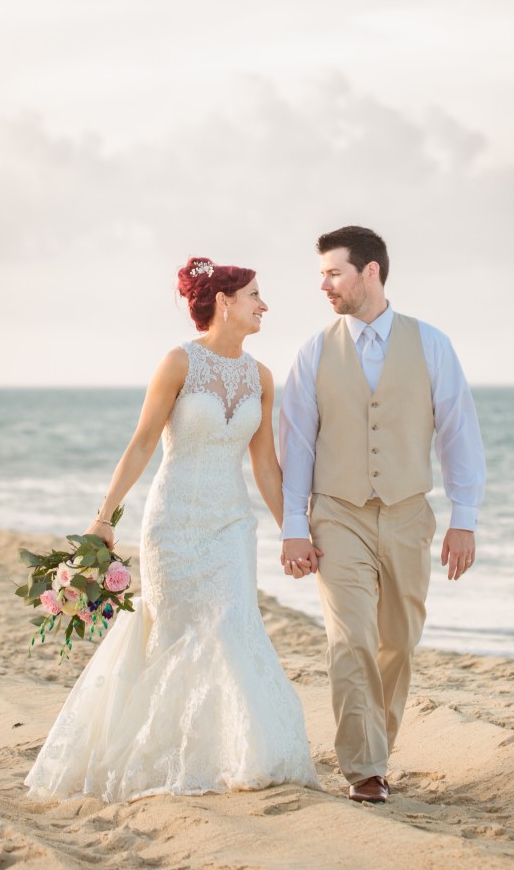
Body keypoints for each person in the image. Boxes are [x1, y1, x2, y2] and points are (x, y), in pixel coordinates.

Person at [26, 257, 318, 801]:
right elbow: (141, 444)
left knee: (231, 625)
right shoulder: (178, 363)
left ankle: (242, 754)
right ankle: (168, 756)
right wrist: (104, 519)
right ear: (224, 301)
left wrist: (292, 530)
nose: (264, 305)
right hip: (174, 522)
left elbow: (265, 466)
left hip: (231, 524)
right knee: (179, 634)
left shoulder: (261, 376)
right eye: (255, 294)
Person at [278, 225, 486, 805]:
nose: (324, 284)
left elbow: (458, 432)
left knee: (398, 640)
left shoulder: (432, 345)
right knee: (350, 640)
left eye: (333, 272)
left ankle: (377, 749)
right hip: (337, 515)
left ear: (370, 272)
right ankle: (364, 769)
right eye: (322, 274)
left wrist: (463, 517)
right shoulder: (314, 351)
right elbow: (295, 446)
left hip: (406, 513)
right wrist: (295, 527)